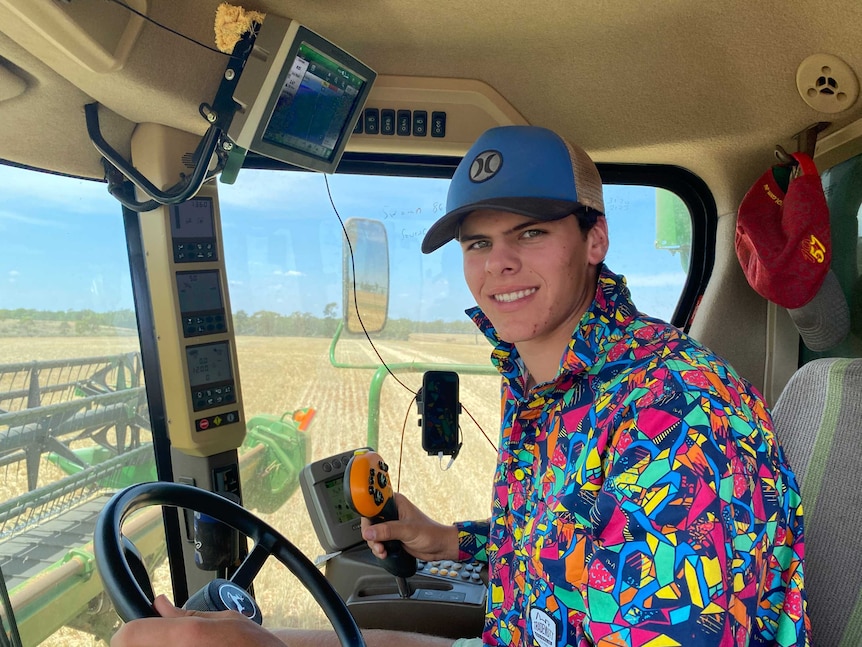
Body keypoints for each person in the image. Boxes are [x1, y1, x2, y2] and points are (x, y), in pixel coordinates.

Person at [111, 125, 809, 647]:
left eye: (530, 232)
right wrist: (450, 541)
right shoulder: (552, 385)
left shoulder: (675, 413)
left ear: (593, 239)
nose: (499, 263)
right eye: (477, 243)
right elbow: (584, 543)